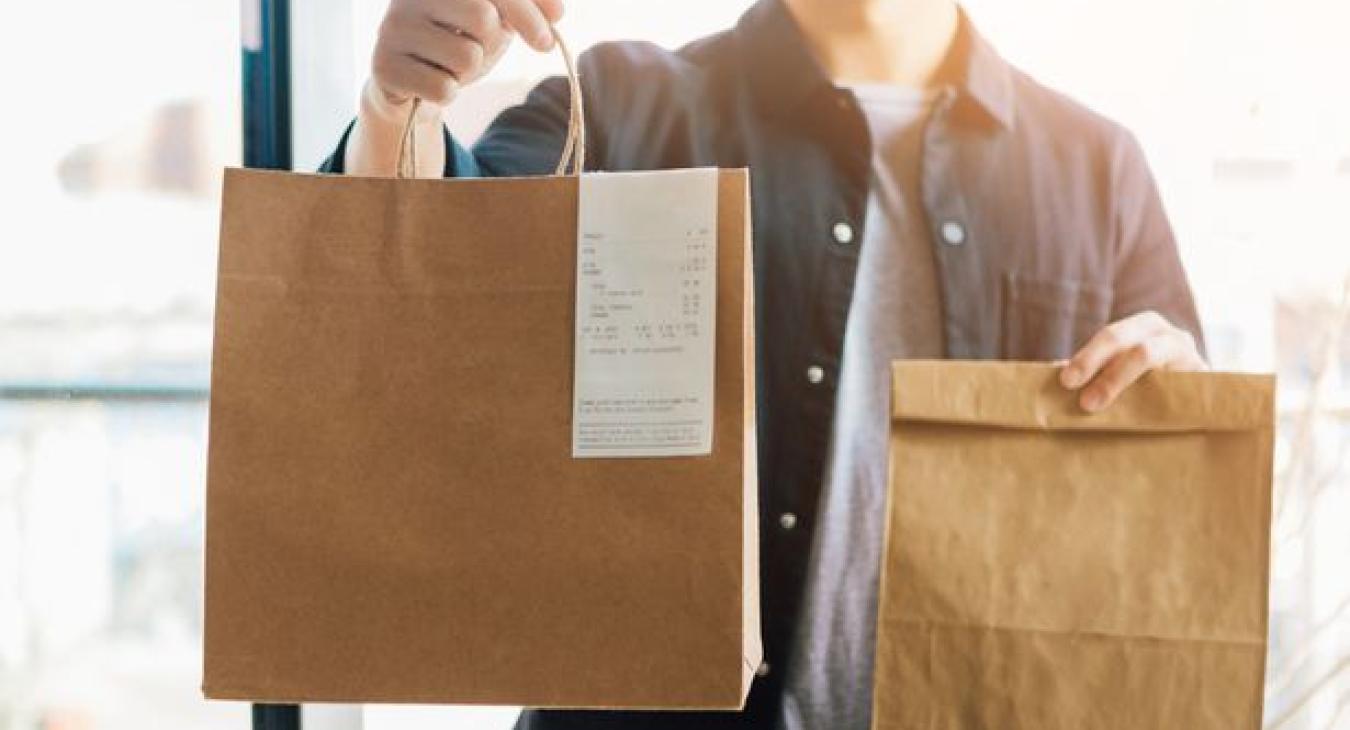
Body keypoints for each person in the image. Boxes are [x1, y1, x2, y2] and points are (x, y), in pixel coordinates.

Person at [320, 0, 1209, 728]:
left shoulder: (1099, 169)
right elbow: (420, 296)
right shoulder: (626, 102)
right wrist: (398, 107)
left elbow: (1176, 528)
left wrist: (1183, 409)